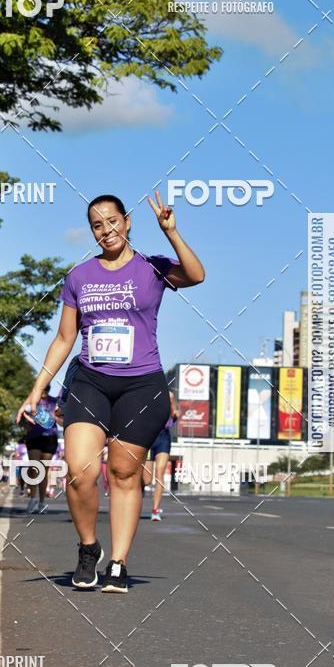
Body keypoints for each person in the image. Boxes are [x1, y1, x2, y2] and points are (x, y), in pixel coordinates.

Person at [17, 190, 204, 593]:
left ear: (127, 221)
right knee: (80, 469)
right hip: (90, 380)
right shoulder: (79, 276)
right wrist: (38, 389)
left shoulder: (153, 268)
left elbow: (195, 275)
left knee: (123, 472)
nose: (106, 230)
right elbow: (65, 338)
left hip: (141, 384)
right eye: (97, 225)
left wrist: (172, 233)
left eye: (112, 221)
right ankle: (88, 547)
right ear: (93, 232)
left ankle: (117, 563)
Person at [22, 385, 58, 514]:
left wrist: (56, 417)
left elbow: (60, 417)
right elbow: (24, 413)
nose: (43, 393)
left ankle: (42, 502)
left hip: (50, 437)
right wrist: (28, 423)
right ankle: (32, 499)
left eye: (45, 390)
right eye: (40, 390)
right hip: (34, 437)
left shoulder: (54, 401)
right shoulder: (32, 401)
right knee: (34, 468)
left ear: (48, 390)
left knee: (43, 470)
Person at [145, 390, 178, 521]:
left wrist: (171, 401)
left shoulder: (170, 401)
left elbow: (174, 415)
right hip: (148, 438)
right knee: (147, 480)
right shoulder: (150, 398)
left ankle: (155, 510)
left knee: (160, 474)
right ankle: (136, 492)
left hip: (163, 439)